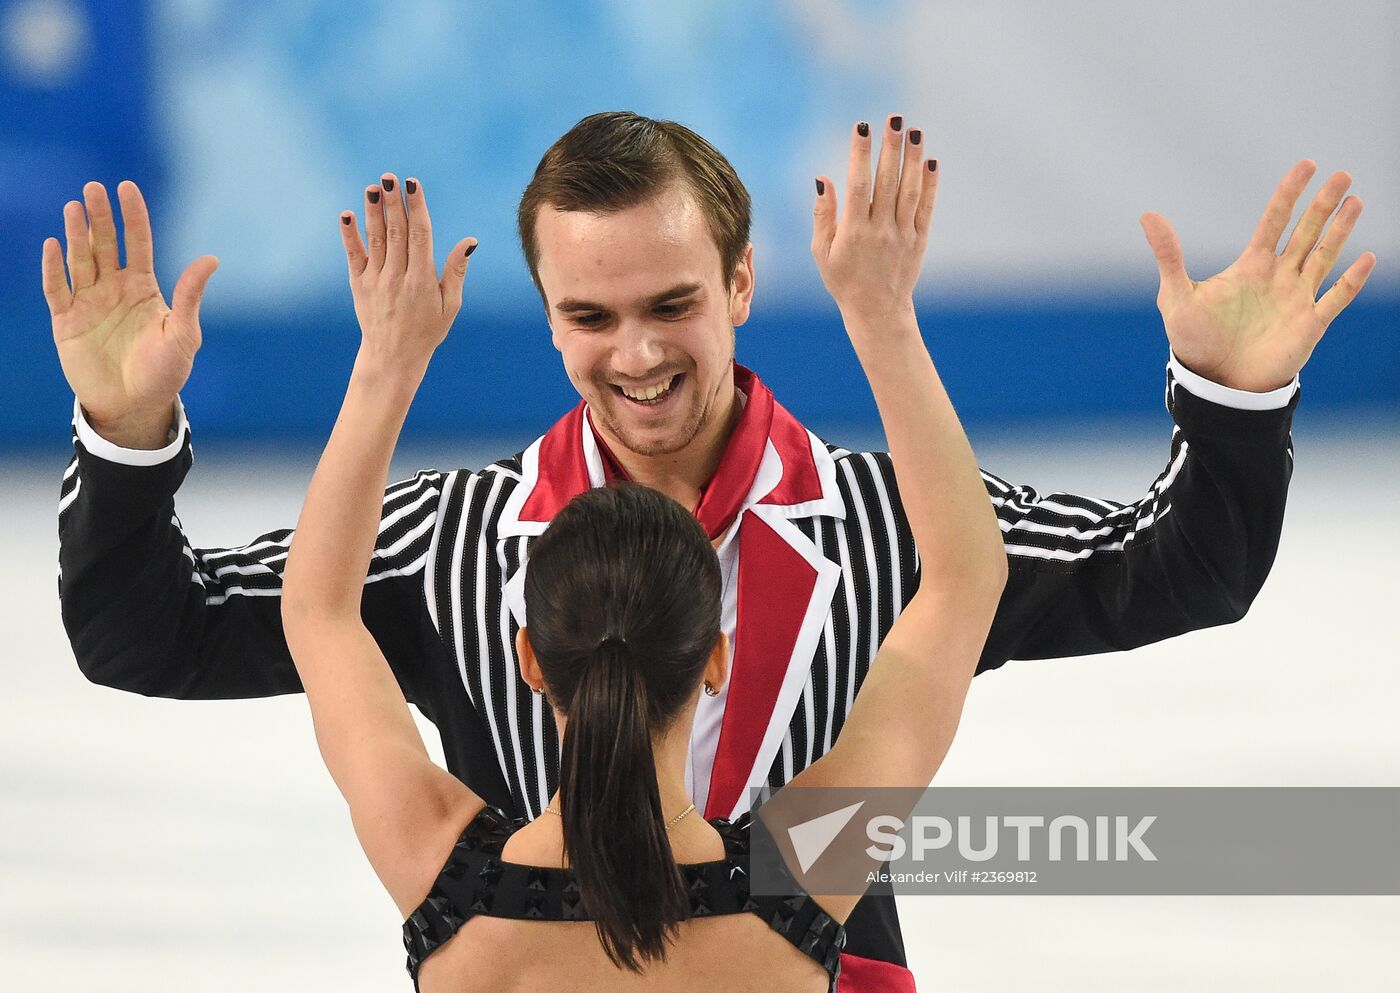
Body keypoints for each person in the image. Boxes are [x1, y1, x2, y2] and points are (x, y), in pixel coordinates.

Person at [46, 111, 1374, 987]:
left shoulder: (881, 520)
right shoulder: (445, 539)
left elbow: (1181, 563)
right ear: (551, 317)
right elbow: (148, 629)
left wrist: (1234, 401)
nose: (635, 352)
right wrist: (123, 423)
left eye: (673, 301)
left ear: (741, 284)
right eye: (591, 313)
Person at [276, 115, 1006, 993]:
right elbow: (966, 577)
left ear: (530, 658)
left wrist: (387, 363)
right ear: (715, 660)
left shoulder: (451, 888)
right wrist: (881, 316)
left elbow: (317, 608)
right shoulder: (802, 882)